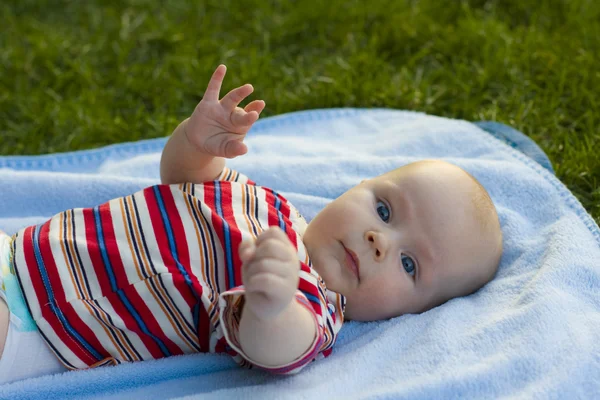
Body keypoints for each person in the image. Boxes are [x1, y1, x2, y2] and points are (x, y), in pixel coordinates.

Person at [0, 65, 503, 384]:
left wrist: (272, 304)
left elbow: (278, 350)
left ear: (413, 312)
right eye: (385, 211)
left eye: (409, 263)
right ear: (354, 188)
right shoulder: (267, 203)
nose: (378, 240)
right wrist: (196, 143)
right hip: (21, 252)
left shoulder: (314, 305)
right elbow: (183, 179)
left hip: (45, 329)